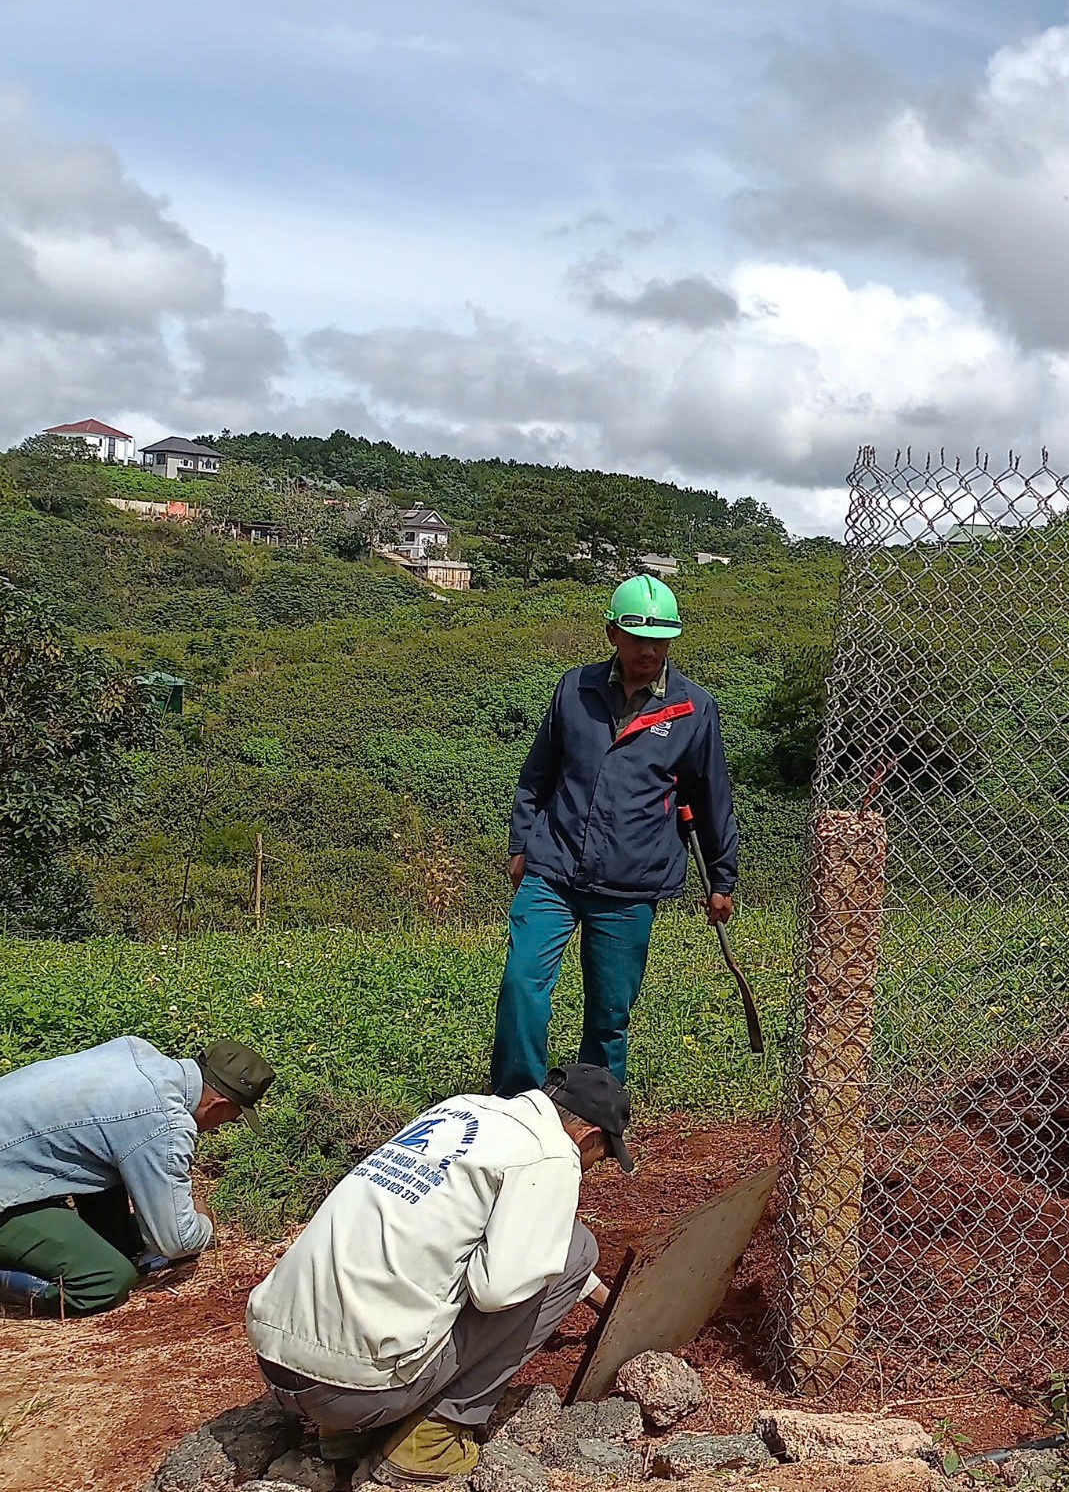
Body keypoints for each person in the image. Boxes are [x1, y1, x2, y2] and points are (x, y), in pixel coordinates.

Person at [245, 1063, 634, 1482]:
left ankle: (341, 1436)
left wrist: (603, 1299)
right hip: (353, 1392)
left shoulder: (460, 1111)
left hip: (278, 1363)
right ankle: (432, 1440)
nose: (596, 1165)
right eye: (603, 1156)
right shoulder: (552, 1154)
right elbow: (499, 1291)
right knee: (577, 1247)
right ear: (589, 1137)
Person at [495, 573, 741, 1098]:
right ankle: (516, 1103)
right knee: (522, 983)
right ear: (613, 635)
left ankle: (596, 1111)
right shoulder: (574, 689)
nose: (650, 649)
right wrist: (521, 843)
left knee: (609, 1012)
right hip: (554, 869)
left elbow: (712, 794)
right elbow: (538, 773)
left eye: (661, 638)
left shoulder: (693, 708)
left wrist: (722, 878)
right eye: (638, 637)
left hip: (631, 884)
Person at [0, 1037, 274, 1327]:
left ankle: (101, 1246)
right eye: (232, 1118)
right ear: (219, 1105)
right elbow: (176, 1241)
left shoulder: (135, 1053)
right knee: (105, 1278)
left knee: (114, 1206)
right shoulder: (163, 1120)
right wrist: (204, 1223)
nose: (224, 1127)